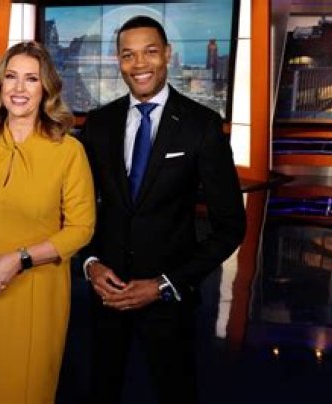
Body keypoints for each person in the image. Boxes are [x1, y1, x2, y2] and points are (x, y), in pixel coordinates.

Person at [79, 15, 247, 404]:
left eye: (150, 52)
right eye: (128, 55)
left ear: (167, 54)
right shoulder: (99, 124)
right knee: (101, 391)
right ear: (118, 61)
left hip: (170, 301)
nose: (139, 64)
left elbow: (230, 226)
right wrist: (90, 264)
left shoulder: (202, 126)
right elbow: (78, 210)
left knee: (176, 393)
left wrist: (163, 284)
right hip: (106, 295)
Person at [0, 41, 96, 403]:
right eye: (11, 77)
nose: (19, 88)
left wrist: (20, 259)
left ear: (46, 88)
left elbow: (81, 228)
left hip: (37, 293)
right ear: (0, 84)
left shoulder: (68, 151)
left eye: (31, 79)